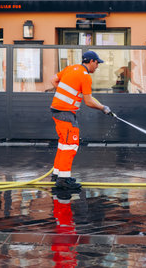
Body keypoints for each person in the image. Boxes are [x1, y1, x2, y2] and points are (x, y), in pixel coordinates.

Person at [50, 50, 113, 190]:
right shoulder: (85, 76)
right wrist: (103, 108)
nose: (97, 66)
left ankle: (57, 175)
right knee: (70, 145)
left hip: (57, 110)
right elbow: (89, 101)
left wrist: (64, 95)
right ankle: (63, 180)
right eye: (97, 63)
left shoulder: (71, 68)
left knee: (63, 143)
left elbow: (53, 80)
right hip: (66, 113)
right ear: (91, 61)